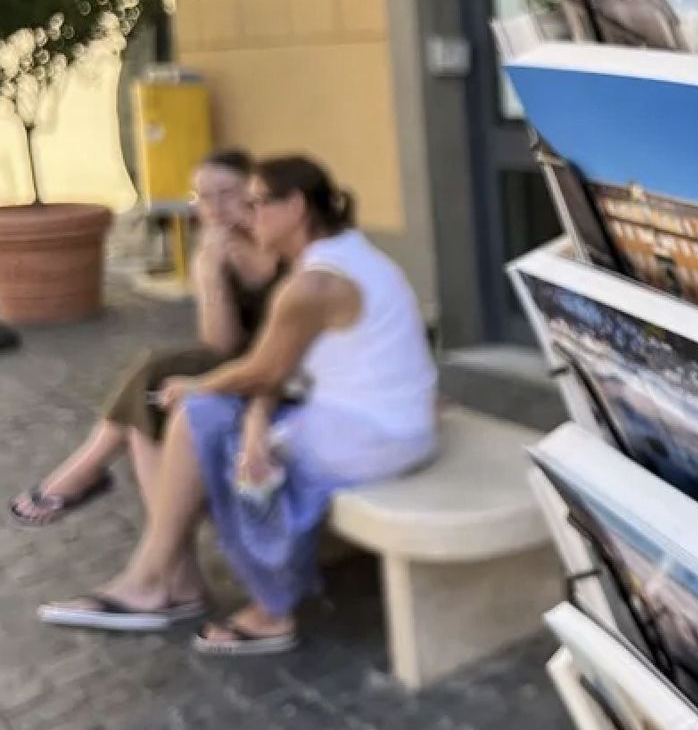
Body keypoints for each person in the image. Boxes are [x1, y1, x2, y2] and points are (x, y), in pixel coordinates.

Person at [38, 156, 438, 654]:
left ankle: (264, 608)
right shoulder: (340, 256)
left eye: (255, 203)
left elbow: (261, 370)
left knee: (205, 427)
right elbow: (276, 368)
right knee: (187, 417)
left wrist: (202, 388)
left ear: (293, 207)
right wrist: (246, 415)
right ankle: (161, 578)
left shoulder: (313, 283)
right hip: (379, 420)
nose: (245, 215)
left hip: (376, 436)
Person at [11, 150, 284, 526]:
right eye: (203, 197)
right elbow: (220, 344)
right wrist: (212, 275)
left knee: (154, 377)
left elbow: (234, 351)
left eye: (228, 193)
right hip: (241, 358)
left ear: (254, 191)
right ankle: (164, 545)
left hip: (283, 363)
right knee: (148, 403)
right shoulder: (213, 249)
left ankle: (89, 474)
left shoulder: (281, 239)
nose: (216, 207)